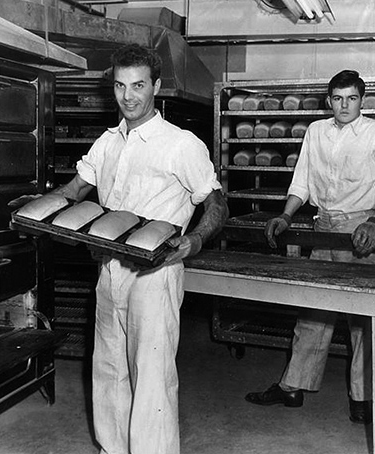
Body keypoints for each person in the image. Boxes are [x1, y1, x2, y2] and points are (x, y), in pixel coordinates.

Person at [51, 44, 228, 454]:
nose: (128, 96)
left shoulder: (180, 144)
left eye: (138, 86)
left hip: (155, 273)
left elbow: (215, 201)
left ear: (156, 87)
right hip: (109, 268)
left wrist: (194, 240)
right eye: (120, 86)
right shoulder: (108, 142)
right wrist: (37, 209)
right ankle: (112, 448)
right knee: (109, 367)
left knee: (151, 374)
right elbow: (76, 189)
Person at [244, 69, 375, 425]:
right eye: (337, 98)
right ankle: (292, 388)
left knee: (364, 317)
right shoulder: (316, 131)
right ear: (328, 100)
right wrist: (286, 216)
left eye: (351, 98)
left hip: (361, 231)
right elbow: (301, 181)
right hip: (323, 227)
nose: (344, 105)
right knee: (313, 311)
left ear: (362, 100)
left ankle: (362, 398)